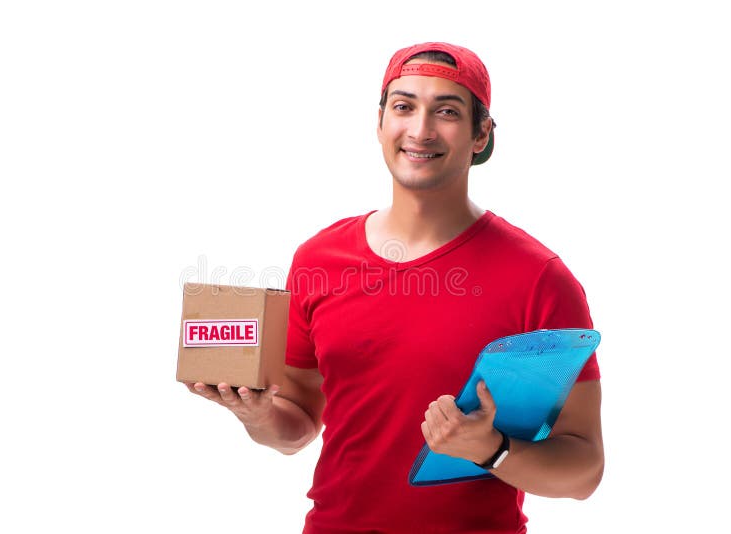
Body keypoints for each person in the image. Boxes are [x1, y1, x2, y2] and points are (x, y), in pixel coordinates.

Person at [186, 42, 603, 533]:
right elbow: (298, 423)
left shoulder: (538, 278)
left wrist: (492, 451)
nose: (420, 130)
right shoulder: (318, 260)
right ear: (380, 122)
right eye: (404, 106)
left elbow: (584, 471)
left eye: (446, 111)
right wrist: (256, 417)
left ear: (480, 133)